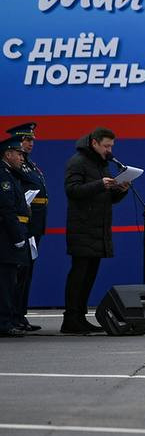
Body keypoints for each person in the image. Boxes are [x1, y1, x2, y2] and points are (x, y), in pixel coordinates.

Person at [62, 127, 127, 334]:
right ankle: (71, 318)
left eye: (111, 146)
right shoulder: (78, 161)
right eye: (106, 146)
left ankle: (80, 317)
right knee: (79, 275)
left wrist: (120, 191)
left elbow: (105, 197)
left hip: (98, 228)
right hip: (82, 227)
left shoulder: (102, 164)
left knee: (89, 276)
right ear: (94, 143)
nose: (109, 150)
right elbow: (72, 190)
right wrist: (100, 184)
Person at [7, 122, 46, 332]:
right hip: (22, 225)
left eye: (31, 140)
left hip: (34, 224)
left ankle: (20, 314)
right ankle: (12, 316)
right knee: (17, 273)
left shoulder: (29, 165)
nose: (30, 144)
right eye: (26, 140)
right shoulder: (14, 167)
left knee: (26, 273)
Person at [0, 135, 33, 337]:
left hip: (13, 233)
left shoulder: (11, 174)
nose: (22, 157)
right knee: (5, 281)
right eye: (18, 153)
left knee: (11, 280)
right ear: (8, 154)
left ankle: (9, 318)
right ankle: (4, 322)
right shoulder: (3, 177)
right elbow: (7, 210)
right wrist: (18, 236)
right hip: (7, 237)